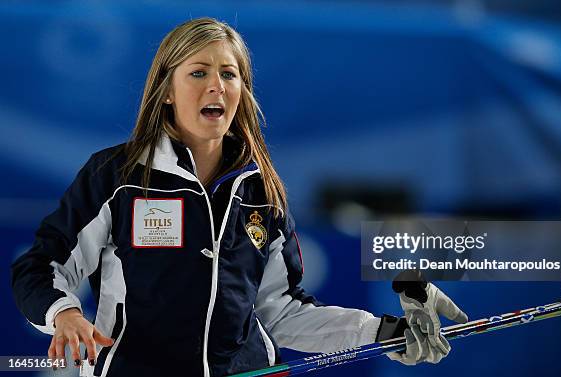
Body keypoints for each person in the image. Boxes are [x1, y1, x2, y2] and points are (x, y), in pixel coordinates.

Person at [10, 17, 467, 377]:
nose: (217, 85)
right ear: (167, 91)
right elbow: (40, 267)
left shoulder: (261, 190)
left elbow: (282, 310)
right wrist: (64, 313)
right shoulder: (118, 176)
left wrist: (381, 333)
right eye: (199, 72)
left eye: (229, 74)